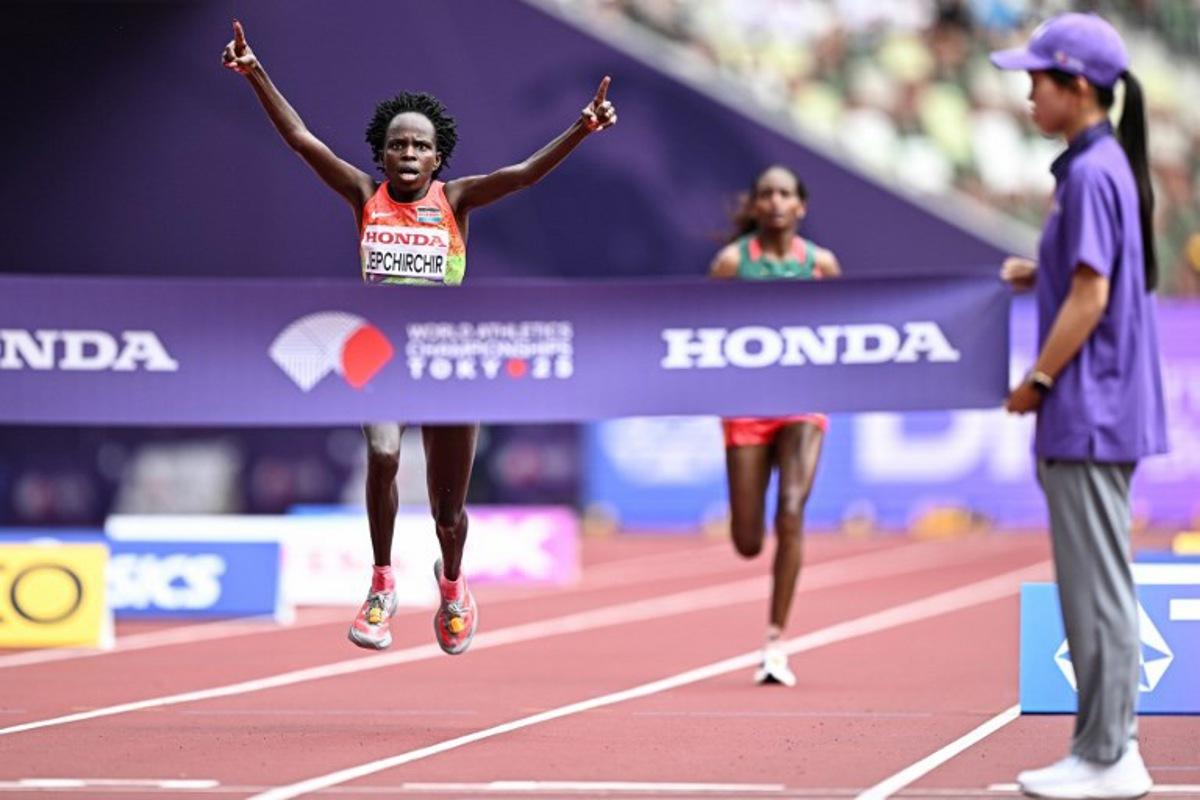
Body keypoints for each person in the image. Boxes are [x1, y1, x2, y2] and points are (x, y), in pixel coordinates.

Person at [221, 20, 616, 656]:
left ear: (438, 158)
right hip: (380, 358)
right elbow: (300, 139)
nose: (407, 155)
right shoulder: (363, 194)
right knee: (381, 455)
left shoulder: (455, 201)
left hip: (447, 361)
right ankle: (381, 584)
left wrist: (582, 128)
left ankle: (453, 584)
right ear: (381, 154)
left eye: (420, 147)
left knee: (448, 512)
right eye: (397, 146)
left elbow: (521, 176)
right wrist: (254, 71)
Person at [992, 13, 1167, 799]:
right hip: (1092, 405)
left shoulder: (1095, 173)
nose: (1027, 94)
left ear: (1078, 86)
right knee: (1092, 580)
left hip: (1088, 405)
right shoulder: (1093, 167)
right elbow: (1087, 277)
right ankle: (1102, 748)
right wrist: (1044, 271)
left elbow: (1093, 297)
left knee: (1096, 584)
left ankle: (1109, 755)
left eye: (1037, 79)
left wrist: (1040, 379)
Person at [708, 165, 840, 687]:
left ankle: (775, 640)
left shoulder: (822, 264)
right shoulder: (730, 264)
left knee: (791, 510)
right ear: (756, 206)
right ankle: (754, 545)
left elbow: (844, 329)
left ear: (800, 206)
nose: (776, 201)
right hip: (745, 405)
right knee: (746, 540)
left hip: (803, 403)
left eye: (786, 193)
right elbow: (698, 330)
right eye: (766, 194)